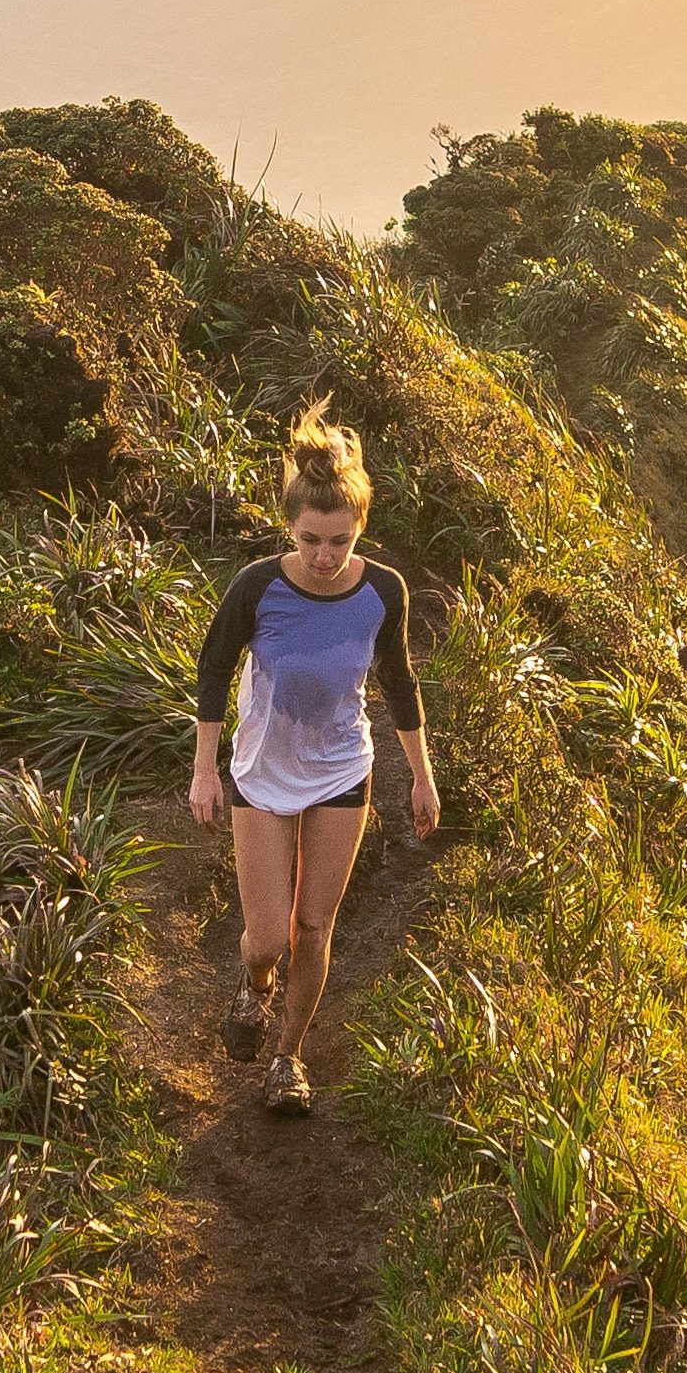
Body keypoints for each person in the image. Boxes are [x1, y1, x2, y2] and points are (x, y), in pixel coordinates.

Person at [185, 403, 438, 1115]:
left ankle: (288, 1059)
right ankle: (255, 986)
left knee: (312, 927)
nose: (324, 557)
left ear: (359, 528)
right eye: (310, 540)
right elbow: (211, 671)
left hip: (340, 770)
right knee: (266, 939)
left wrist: (420, 778)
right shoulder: (256, 586)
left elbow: (398, 681)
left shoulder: (383, 589)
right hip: (261, 771)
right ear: (287, 528)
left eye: (339, 540)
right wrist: (205, 771)